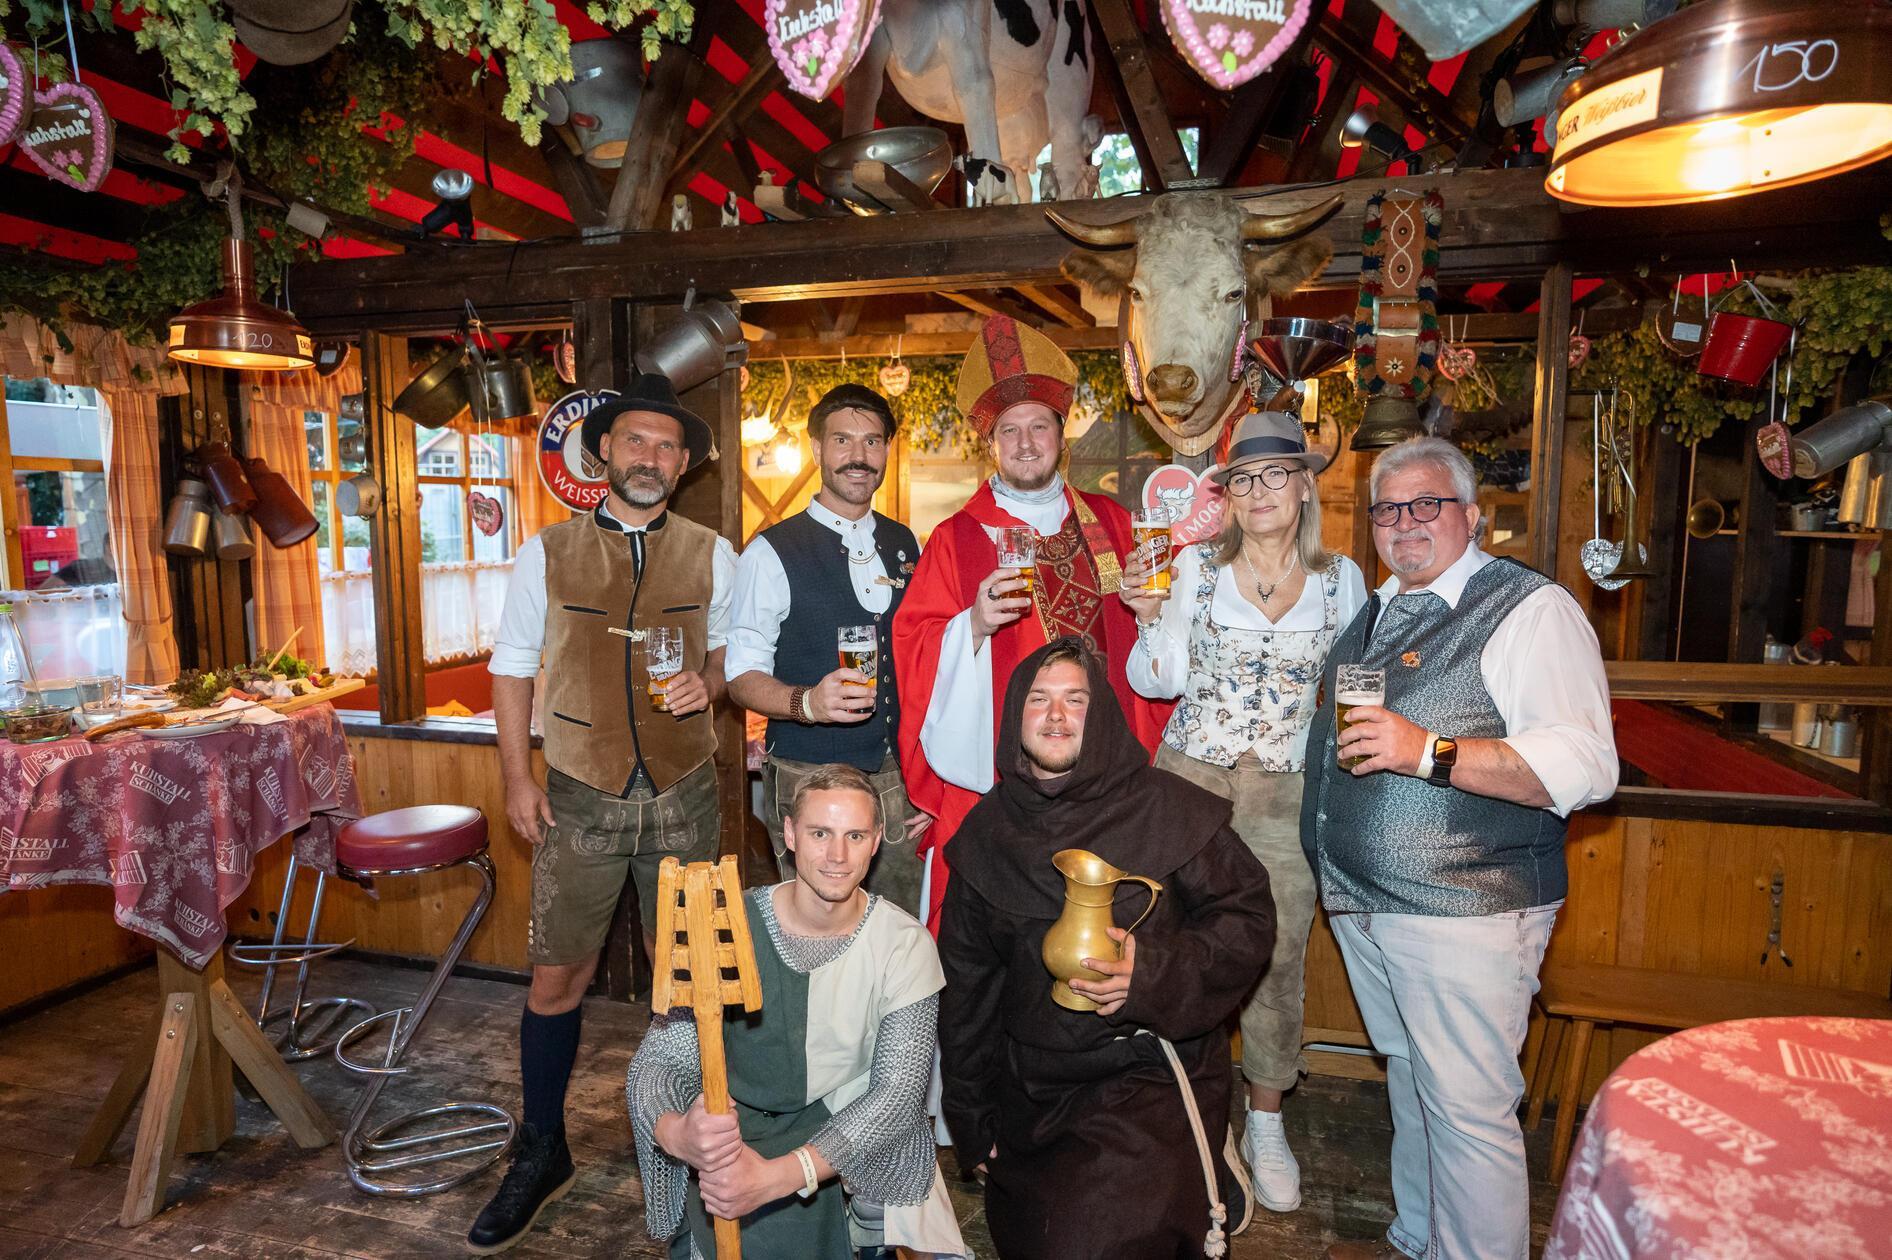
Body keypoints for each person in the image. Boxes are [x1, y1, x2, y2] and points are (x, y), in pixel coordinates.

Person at [1303, 437, 1617, 1260]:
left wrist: (1429, 751)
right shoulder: (1375, 610)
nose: (1404, 523)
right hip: (1370, 906)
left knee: (1470, 1110)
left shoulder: (1529, 610)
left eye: (1426, 504)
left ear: (1472, 516)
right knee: (1413, 1081)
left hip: (1467, 905)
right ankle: (1421, 1236)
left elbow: (1585, 765)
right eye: (1386, 509)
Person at [473, 373, 739, 1254]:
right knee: (558, 979)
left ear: (682, 465)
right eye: (637, 441)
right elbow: (512, 668)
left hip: (682, 794)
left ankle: (702, 1148)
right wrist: (518, 779)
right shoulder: (544, 553)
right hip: (580, 793)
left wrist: (711, 681)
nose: (652, 457)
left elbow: (735, 659)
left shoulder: (714, 553)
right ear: (606, 452)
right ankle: (543, 1146)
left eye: (668, 446)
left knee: (690, 984)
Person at [937, 637, 1277, 1260]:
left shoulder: (1165, 807)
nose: (1057, 715)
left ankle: (1206, 1161)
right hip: (1034, 1086)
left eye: (1076, 699)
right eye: (1038, 699)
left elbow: (1247, 916)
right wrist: (971, 1116)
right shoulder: (987, 832)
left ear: (1103, 715)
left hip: (1143, 1073)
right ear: (1015, 716)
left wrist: (1149, 974)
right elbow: (968, 990)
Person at [1123, 410, 1367, 1216]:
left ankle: (1266, 1120)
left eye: (1276, 475)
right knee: (1170, 943)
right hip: (1193, 781)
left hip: (1287, 791)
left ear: (1303, 486)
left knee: (1278, 952)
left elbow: (1354, 694)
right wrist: (1149, 615)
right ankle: (1184, 1105)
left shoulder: (1345, 580)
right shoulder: (1194, 568)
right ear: (1226, 495)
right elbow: (1156, 681)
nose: (1260, 491)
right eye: (1243, 479)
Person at [628, 763, 969, 1260]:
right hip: (739, 1134)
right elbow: (658, 1064)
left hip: (850, 1141)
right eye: (819, 833)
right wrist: (678, 1132)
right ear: (788, 833)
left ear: (876, 841)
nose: (837, 855)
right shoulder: (725, 926)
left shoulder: (903, 944)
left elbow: (896, 1098)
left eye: (854, 835)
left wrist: (780, 1177)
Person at [894, 316, 1169, 925]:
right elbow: (913, 642)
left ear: (1060, 434)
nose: (1024, 443)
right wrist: (971, 625)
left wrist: (1156, 615)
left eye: (1038, 426)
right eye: (1009, 430)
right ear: (989, 444)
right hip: (1005, 774)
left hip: (1104, 771)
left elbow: (1161, 635)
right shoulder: (956, 539)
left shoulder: (1115, 523)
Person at [727, 384, 928, 916]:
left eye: (872, 442)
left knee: (897, 924)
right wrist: (807, 704)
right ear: (817, 449)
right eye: (843, 440)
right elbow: (740, 674)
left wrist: (929, 778)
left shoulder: (905, 542)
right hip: (807, 774)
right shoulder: (771, 551)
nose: (858, 456)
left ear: (886, 451)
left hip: (895, 775)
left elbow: (923, 657)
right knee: (816, 925)